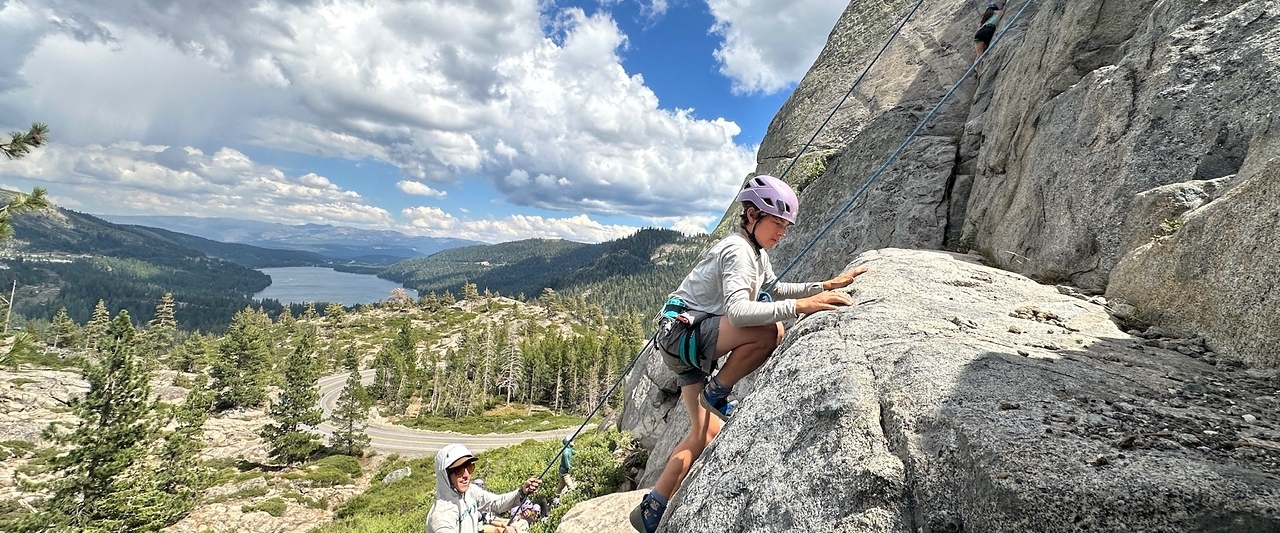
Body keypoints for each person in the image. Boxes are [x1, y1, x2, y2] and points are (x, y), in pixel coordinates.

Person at [628, 175, 868, 533]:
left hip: (678, 338)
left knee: (703, 431)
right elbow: (739, 312)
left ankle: (652, 508)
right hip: (684, 336)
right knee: (772, 329)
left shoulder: (755, 251)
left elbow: (773, 288)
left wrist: (824, 286)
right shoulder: (738, 251)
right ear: (752, 215)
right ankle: (718, 390)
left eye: (786, 225)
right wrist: (800, 306)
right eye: (777, 222)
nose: (782, 231)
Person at [427, 443, 541, 533]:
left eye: (469, 467)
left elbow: (496, 503)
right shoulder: (441, 516)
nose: (466, 475)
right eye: (459, 471)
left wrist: (522, 492)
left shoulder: (470, 491)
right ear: (445, 476)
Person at [555, 436, 575, 502]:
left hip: (563, 471)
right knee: (570, 486)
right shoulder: (565, 452)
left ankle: (556, 497)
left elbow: (574, 452)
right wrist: (572, 468)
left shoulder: (569, 450)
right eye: (571, 440)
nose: (573, 441)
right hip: (565, 472)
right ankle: (571, 499)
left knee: (561, 485)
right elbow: (567, 464)